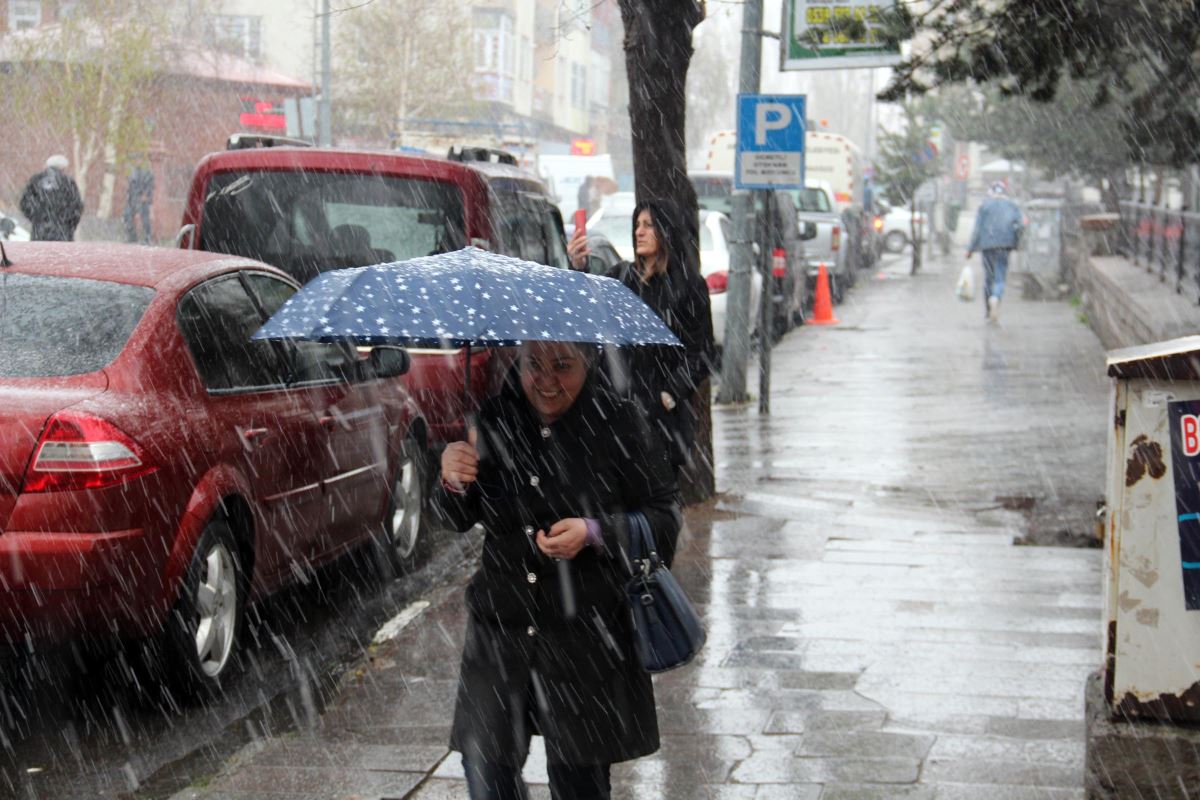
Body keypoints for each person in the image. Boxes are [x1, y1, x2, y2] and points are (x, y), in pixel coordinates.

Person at [435, 339, 680, 800]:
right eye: (534, 365)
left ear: (587, 361)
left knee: (578, 782)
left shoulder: (620, 421)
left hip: (585, 636)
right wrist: (451, 478)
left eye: (562, 365)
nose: (546, 381)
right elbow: (454, 518)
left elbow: (665, 517)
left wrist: (596, 532)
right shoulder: (494, 419)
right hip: (501, 629)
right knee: (484, 770)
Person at [567, 199, 715, 474]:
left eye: (648, 225)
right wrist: (578, 268)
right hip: (616, 416)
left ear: (666, 230)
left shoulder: (689, 285)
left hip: (663, 423)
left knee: (658, 506)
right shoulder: (623, 278)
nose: (639, 231)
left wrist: (667, 396)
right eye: (637, 225)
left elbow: (701, 353)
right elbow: (585, 311)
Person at [967, 182, 1024, 322]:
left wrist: (970, 249)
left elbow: (977, 230)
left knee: (988, 278)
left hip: (987, 246)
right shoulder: (1012, 206)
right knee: (1000, 277)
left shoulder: (984, 206)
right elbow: (1019, 226)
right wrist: (1015, 243)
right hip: (1004, 245)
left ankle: (988, 309)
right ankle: (996, 297)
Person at [19, 155, 83, 241]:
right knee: (60, 254)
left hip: (40, 233)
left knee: (39, 254)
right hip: (62, 235)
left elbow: (24, 203)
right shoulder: (68, 183)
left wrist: (38, 218)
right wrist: (67, 223)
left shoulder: (36, 180)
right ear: (63, 168)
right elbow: (77, 208)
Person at [123, 163, 155, 244]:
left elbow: (150, 185)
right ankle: (132, 236)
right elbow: (130, 188)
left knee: (145, 219)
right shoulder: (133, 173)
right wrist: (129, 198)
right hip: (133, 199)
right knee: (128, 216)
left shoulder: (147, 173)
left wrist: (146, 195)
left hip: (141, 200)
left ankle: (147, 237)